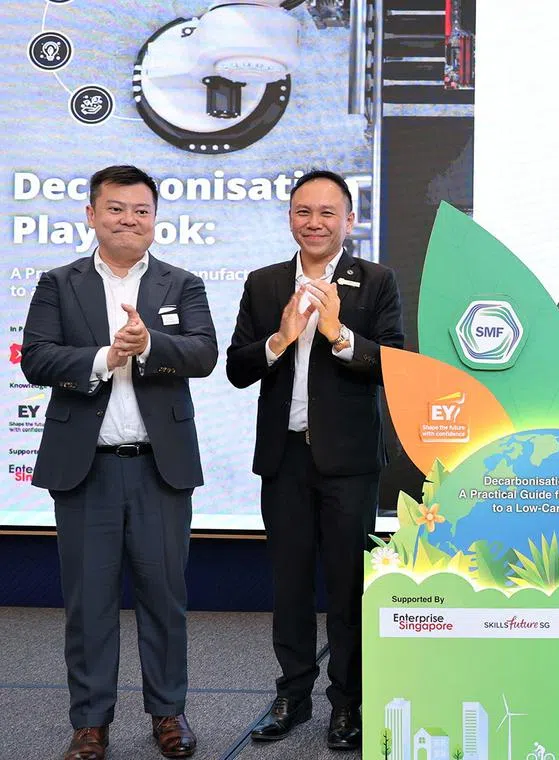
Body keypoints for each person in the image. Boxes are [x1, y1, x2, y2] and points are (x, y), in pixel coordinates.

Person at [21, 165, 218, 760]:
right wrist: (108, 355)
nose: (128, 219)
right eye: (115, 208)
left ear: (155, 219)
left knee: (165, 596)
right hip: (86, 470)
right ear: (91, 214)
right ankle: (90, 723)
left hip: (160, 468)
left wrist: (152, 345)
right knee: (89, 601)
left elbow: (205, 353)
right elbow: (37, 359)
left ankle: (168, 715)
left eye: (140, 210)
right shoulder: (60, 282)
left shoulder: (181, 283)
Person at [226, 169, 405, 750]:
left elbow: (396, 365)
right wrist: (279, 339)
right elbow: (237, 368)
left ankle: (348, 704)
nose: (315, 222)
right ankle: (292, 696)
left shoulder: (375, 282)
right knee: (290, 584)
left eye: (328, 212)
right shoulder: (264, 283)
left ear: (349, 221)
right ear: (290, 219)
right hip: (284, 460)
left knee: (349, 585)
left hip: (350, 463)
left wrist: (338, 334)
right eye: (304, 211)